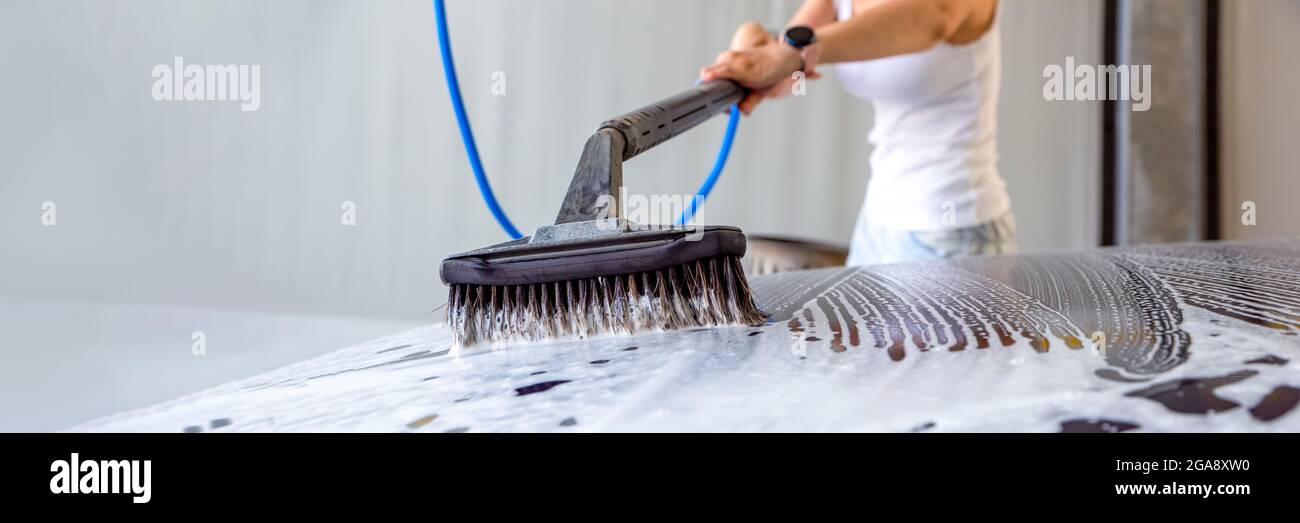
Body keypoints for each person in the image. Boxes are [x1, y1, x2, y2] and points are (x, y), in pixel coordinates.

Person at [700, 0, 1016, 266]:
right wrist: (752, 46)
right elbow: (785, 65)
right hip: (876, 223)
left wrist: (798, 52)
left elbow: (932, 17)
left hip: (953, 230)